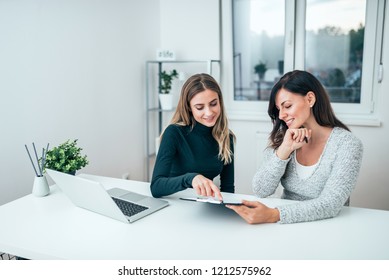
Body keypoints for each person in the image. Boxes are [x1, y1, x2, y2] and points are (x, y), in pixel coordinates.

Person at [227, 70, 363, 224]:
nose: (281, 115)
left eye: (287, 106)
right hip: (286, 227)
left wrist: (274, 215)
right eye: (279, 109)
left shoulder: (347, 144)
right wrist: (284, 150)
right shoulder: (285, 138)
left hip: (327, 228)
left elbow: (330, 204)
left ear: (310, 99)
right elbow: (261, 189)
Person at [150, 73, 235, 200]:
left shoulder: (226, 137)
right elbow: (156, 187)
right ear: (189, 108)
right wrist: (191, 178)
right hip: (173, 202)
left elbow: (228, 188)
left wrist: (227, 211)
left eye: (213, 104)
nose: (209, 112)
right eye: (200, 107)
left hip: (203, 205)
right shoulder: (174, 133)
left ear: (220, 102)